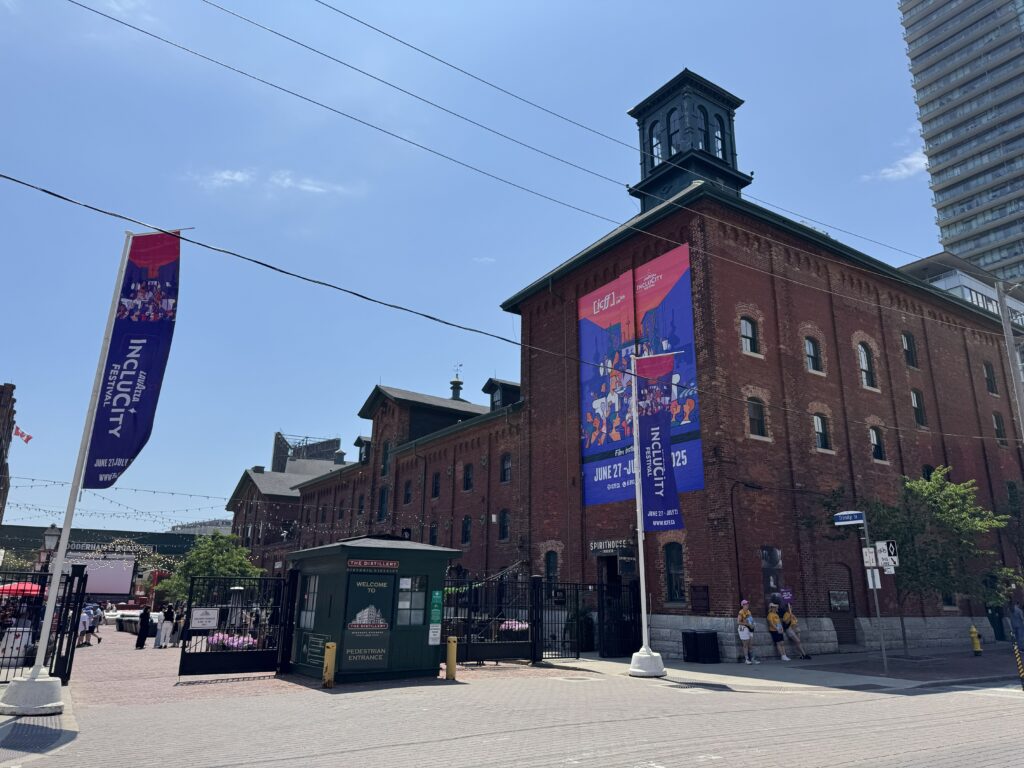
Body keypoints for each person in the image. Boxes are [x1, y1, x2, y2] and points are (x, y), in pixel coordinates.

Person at [737, 599, 758, 664]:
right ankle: (747, 659)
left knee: (750, 644)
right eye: (745, 604)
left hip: (749, 628)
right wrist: (746, 624)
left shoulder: (749, 612)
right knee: (745, 644)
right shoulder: (741, 612)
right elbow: (738, 622)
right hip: (743, 628)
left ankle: (752, 658)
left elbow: (750, 620)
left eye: (747, 604)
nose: (747, 605)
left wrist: (753, 624)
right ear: (742, 605)